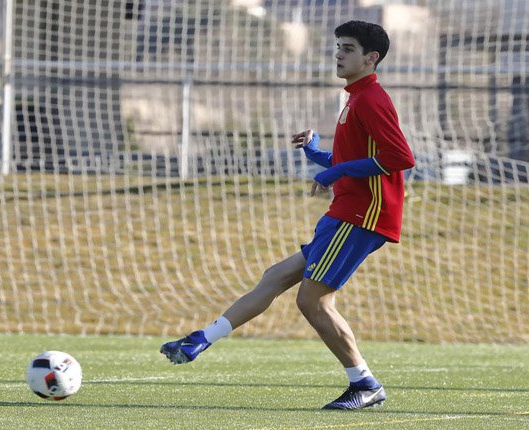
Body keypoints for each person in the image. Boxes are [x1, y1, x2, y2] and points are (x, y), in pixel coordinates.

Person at [160, 20, 415, 410]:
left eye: (348, 48)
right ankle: (201, 338)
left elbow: (400, 158)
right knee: (275, 276)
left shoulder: (372, 100)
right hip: (343, 213)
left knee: (313, 302)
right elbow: (350, 160)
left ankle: (364, 384)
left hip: (362, 216)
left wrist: (336, 171)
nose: (338, 54)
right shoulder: (354, 99)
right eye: (338, 47)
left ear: (371, 58)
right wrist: (318, 154)